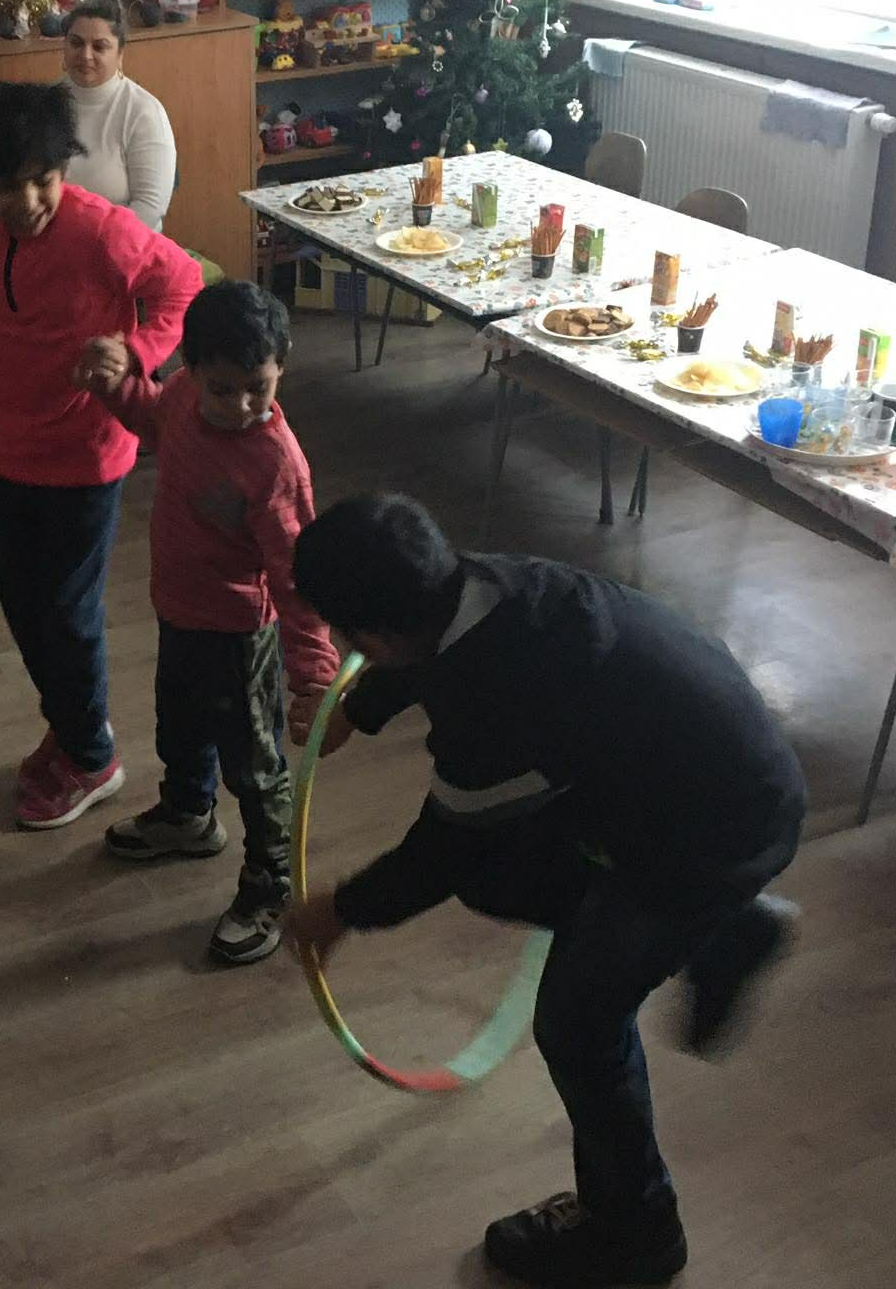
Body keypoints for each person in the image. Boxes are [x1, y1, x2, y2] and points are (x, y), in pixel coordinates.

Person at [282, 494, 804, 1289]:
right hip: (699, 780)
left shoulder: (496, 703)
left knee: (577, 1022)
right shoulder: (483, 585)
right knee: (500, 872)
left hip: (710, 835)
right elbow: (422, 652)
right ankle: (727, 929)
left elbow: (442, 848)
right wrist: (359, 708)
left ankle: (637, 1232)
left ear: (371, 639)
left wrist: (339, 912)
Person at [0, 82, 201, 830]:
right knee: (24, 603)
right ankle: (71, 720)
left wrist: (135, 350)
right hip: (8, 443)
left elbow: (183, 286)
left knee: (65, 613)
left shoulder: (102, 231)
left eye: (44, 179)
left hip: (88, 451)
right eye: (7, 185)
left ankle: (91, 757)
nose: (28, 201)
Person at [73, 280, 339, 965]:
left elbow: (299, 580)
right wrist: (115, 388)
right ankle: (189, 814)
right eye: (224, 389)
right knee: (180, 725)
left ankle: (270, 886)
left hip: (239, 635)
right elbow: (153, 419)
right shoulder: (186, 396)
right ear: (191, 368)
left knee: (254, 769)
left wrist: (315, 677)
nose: (243, 405)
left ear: (281, 365)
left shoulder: (275, 464)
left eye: (259, 387)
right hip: (178, 610)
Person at [61, 0, 177, 233]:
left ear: (120, 54)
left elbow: (149, 207)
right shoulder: (42, 104)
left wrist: (93, 248)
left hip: (123, 246)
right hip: (54, 245)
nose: (85, 55)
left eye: (99, 47)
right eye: (76, 43)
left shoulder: (144, 112)